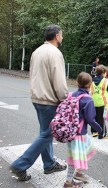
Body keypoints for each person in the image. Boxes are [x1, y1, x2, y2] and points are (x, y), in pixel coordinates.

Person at [9, 24, 68, 181]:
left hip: (37, 97)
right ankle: (20, 165)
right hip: (49, 100)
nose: (62, 37)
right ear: (56, 36)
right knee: (47, 134)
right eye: (61, 35)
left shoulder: (37, 51)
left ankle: (49, 164)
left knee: (45, 132)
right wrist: (65, 99)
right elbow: (59, 80)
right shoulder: (55, 53)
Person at [63, 72, 103, 187]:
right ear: (90, 85)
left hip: (70, 131)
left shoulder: (71, 95)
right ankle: (73, 178)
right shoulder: (88, 100)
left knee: (76, 155)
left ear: (77, 83)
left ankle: (73, 177)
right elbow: (90, 119)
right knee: (83, 153)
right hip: (80, 133)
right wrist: (99, 129)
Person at [90, 65, 108, 139]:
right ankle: (102, 134)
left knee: (94, 118)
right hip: (102, 102)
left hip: (94, 102)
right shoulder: (105, 81)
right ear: (103, 73)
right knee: (101, 119)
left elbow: (91, 91)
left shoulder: (92, 80)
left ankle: (94, 132)